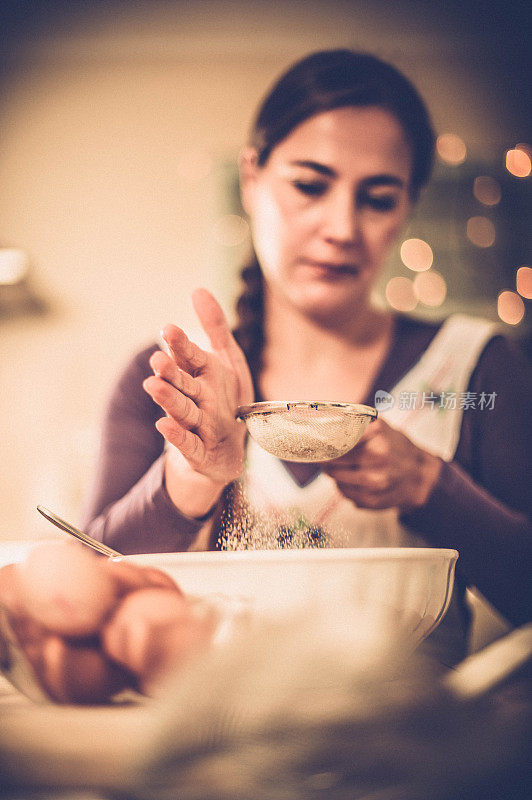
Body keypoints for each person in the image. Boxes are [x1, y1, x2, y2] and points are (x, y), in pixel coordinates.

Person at [71, 50, 529, 664]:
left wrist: (429, 486)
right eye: (310, 186)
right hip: (219, 741)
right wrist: (189, 478)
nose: (341, 226)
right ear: (253, 178)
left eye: (378, 197)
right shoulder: (170, 384)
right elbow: (79, 595)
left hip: (423, 747)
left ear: (408, 207)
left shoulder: (475, 369)